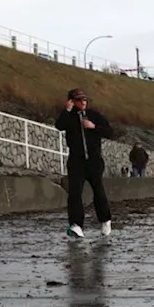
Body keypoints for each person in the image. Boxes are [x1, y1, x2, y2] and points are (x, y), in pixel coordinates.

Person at [55, 88, 114, 238]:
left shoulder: (94, 115)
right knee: (74, 193)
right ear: (72, 102)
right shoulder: (69, 117)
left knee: (98, 191)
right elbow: (59, 126)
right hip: (76, 161)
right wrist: (67, 110)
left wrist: (94, 127)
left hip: (94, 160)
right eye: (79, 100)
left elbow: (110, 132)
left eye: (85, 99)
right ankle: (76, 225)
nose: (83, 102)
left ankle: (105, 220)